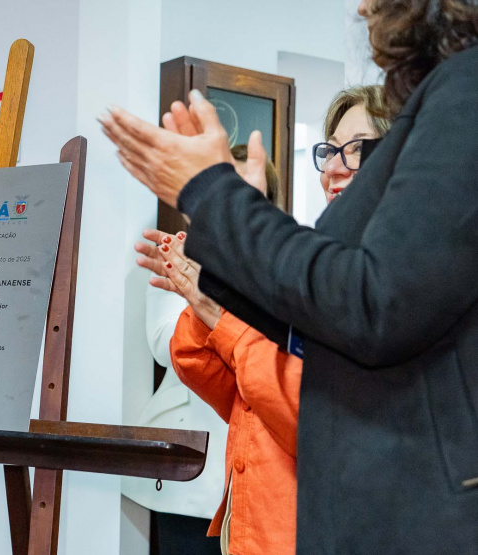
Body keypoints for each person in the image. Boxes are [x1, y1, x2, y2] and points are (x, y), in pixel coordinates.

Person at [100, 0, 478, 552]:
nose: (364, 7)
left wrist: (216, 199)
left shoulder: (465, 91)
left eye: (357, 149)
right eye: (331, 150)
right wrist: (230, 243)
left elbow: (373, 304)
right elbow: (323, 326)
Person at [139, 86, 391, 555]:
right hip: (249, 519)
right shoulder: (317, 259)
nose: (334, 166)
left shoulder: (384, 278)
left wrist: (219, 309)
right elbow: (228, 388)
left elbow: (306, 417)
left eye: (355, 149)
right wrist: (203, 295)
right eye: (331, 149)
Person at [125, 145, 279, 555]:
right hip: (187, 466)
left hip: (265, 465)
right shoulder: (177, 256)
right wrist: (202, 289)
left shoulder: (281, 264)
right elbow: (164, 346)